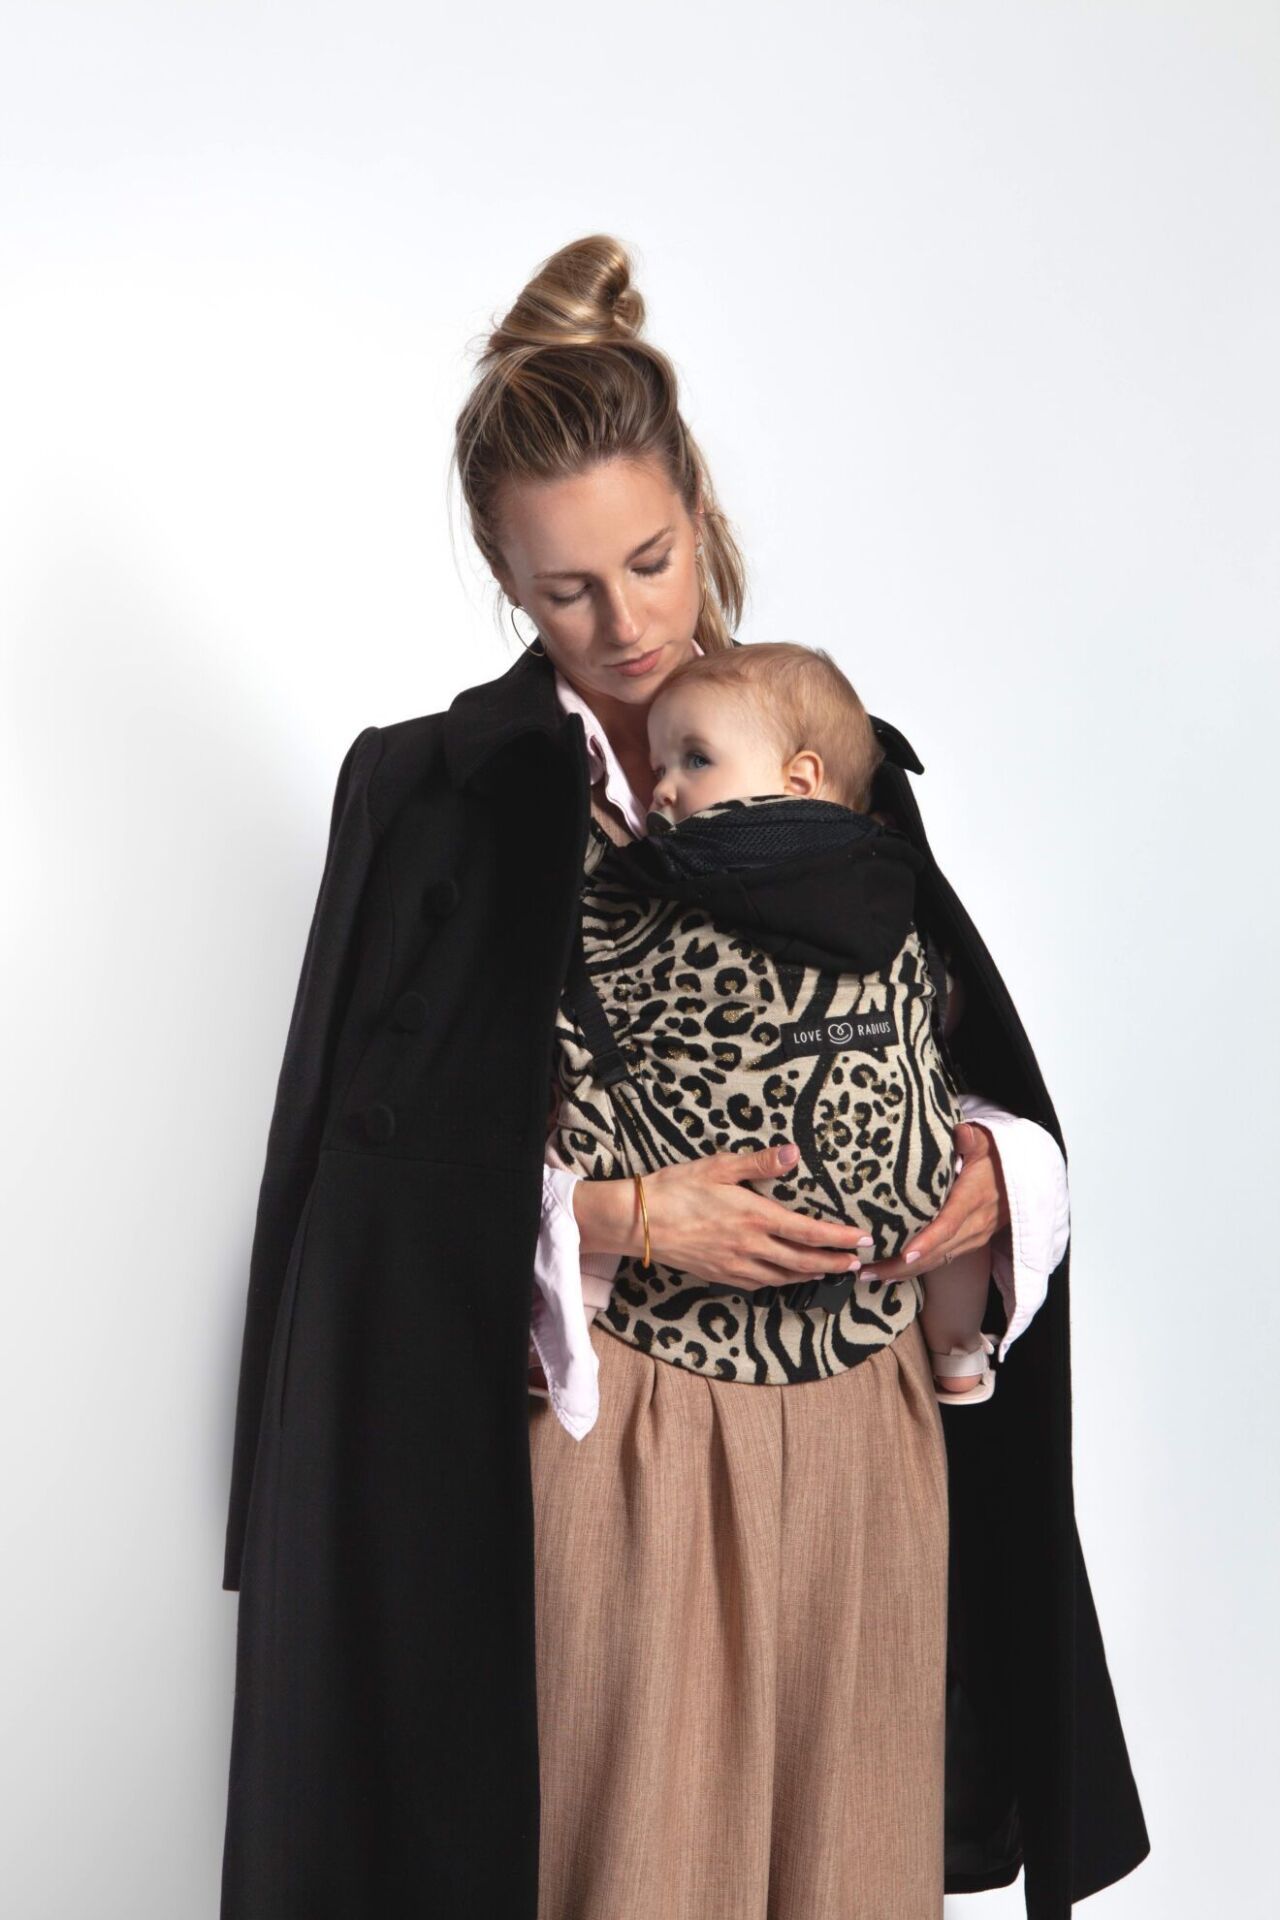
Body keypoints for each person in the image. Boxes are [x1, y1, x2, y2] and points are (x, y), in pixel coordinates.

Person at [219, 234, 1150, 1918]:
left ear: (700, 511)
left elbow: (933, 1040)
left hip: (867, 1434)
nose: (628, 622)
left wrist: (1002, 1176)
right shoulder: (432, 800)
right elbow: (356, 1205)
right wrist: (625, 1217)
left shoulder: (822, 750)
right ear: (505, 578)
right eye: (567, 587)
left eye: (650, 561)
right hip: (614, 1445)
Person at [543, 636, 997, 1412]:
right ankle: (958, 1345)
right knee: (946, 1196)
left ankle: (560, 1333)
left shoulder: (665, 878)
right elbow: (943, 1010)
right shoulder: (885, 872)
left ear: (800, 778)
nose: (662, 790)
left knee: (593, 1129)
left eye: (694, 761)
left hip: (800, 1337)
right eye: (658, 767)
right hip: (865, 1268)